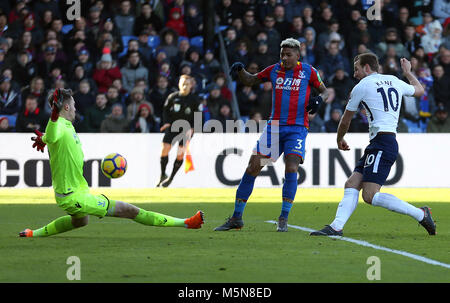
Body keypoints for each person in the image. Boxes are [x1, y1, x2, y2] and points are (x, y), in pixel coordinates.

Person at [19, 88, 204, 238]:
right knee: (129, 210)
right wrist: (49, 127)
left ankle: (31, 234)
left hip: (77, 190)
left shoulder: (65, 125)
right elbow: (52, 133)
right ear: (66, 108)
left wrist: (44, 139)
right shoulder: (58, 123)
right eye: (73, 105)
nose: (76, 109)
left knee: (80, 222)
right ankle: (187, 223)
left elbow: (51, 137)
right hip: (72, 196)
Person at [310, 53, 436, 236]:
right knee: (352, 183)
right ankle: (336, 226)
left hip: (382, 143)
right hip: (383, 141)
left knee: (370, 195)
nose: (354, 74)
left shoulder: (362, 86)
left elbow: (346, 119)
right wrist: (408, 72)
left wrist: (339, 139)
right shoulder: (394, 80)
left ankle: (420, 214)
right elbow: (419, 90)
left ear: (367, 68)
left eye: (357, 69)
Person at [214, 38, 329, 232]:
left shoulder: (309, 71)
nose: (284, 58)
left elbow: (325, 91)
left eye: (288, 55)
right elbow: (251, 80)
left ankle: (283, 218)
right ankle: (236, 217)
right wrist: (241, 71)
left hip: (297, 128)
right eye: (282, 54)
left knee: (291, 167)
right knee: (253, 167)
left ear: (297, 56)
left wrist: (319, 100)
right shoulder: (274, 70)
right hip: (273, 128)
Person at [157, 75, 202, 188]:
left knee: (180, 154)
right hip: (173, 127)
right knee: (164, 150)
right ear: (179, 84)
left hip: (186, 130)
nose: (185, 85)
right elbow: (165, 110)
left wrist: (193, 128)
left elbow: (199, 116)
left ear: (191, 85)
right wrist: (166, 122)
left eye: (187, 83)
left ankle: (171, 177)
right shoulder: (173, 97)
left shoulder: (194, 100)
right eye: (183, 83)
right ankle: (162, 174)